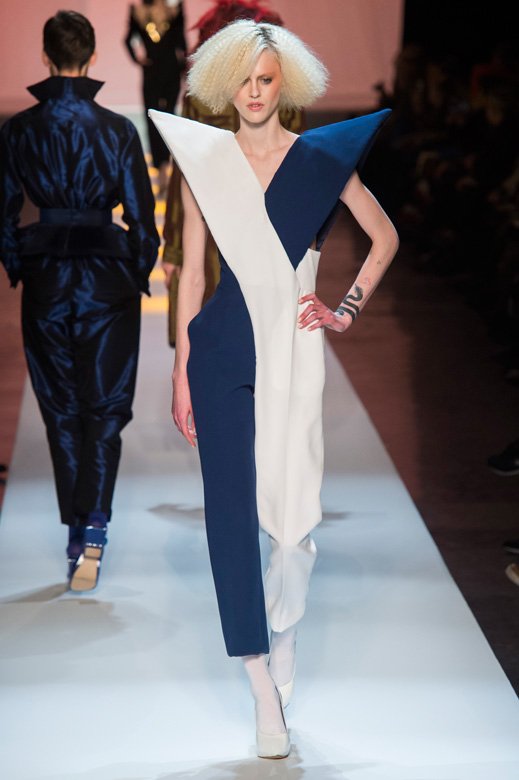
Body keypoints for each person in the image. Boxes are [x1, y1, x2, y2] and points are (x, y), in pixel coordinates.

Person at [150, 20, 398, 759]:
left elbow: (384, 236)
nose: (254, 94)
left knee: (291, 531)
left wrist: (345, 308)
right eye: (243, 81)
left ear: (283, 81)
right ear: (224, 86)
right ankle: (259, 682)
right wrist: (180, 368)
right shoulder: (205, 161)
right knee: (230, 517)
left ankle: (284, 633)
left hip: (295, 349)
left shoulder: (318, 160)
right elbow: (190, 276)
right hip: (222, 349)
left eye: (265, 80)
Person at [0, 11, 159, 591]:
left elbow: (3, 214)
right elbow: (142, 219)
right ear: (91, 58)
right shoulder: (117, 131)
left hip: (47, 278)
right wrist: (135, 270)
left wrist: (20, 266)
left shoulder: (18, 131)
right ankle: (94, 529)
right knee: (106, 407)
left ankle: (76, 536)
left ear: (46, 57)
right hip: (106, 279)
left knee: (61, 409)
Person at [161, 0, 305, 347]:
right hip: (261, 226)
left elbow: (183, 174)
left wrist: (173, 250)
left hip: (214, 225)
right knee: (259, 338)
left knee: (209, 332)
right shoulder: (281, 93)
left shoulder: (202, 95)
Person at [124, 0, 186, 195]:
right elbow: (181, 42)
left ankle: (161, 170)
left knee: (156, 119)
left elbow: (128, 40)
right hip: (169, 70)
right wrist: (183, 67)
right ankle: (163, 169)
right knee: (165, 117)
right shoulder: (173, 11)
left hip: (153, 71)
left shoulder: (141, 12)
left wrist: (139, 59)